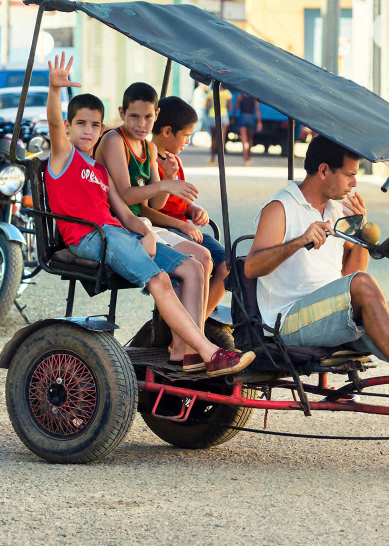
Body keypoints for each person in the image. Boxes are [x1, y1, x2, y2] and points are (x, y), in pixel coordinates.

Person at [245, 136, 389, 459]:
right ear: (324, 170)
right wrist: (298, 241)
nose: (355, 183)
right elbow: (252, 266)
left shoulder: (336, 210)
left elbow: (349, 276)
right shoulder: (280, 207)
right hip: (288, 319)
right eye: (349, 174)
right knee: (364, 284)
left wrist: (359, 239)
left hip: (330, 315)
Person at [45, 52, 253, 377]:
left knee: (195, 268)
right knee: (159, 280)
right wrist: (55, 90)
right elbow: (56, 125)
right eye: (81, 124)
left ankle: (185, 355)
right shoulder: (64, 158)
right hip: (90, 235)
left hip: (118, 232)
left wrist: (146, 232)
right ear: (70, 127)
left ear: (103, 127)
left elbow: (126, 211)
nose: (88, 131)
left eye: (95, 125)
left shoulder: (99, 170)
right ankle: (209, 352)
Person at [147, 96, 229, 321]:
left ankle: (195, 324)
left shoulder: (174, 160)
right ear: (166, 131)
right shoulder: (148, 160)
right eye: (185, 136)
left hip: (182, 228)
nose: (187, 142)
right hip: (163, 231)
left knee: (228, 263)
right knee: (200, 262)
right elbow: (149, 208)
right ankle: (189, 331)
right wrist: (182, 223)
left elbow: (178, 201)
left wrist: (193, 209)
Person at [231, 92, 261, 166]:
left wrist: (233, 117)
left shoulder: (240, 97)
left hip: (243, 117)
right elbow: (257, 110)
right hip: (250, 118)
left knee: (244, 140)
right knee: (250, 139)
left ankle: (246, 158)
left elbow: (236, 107)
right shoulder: (254, 98)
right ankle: (249, 156)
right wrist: (259, 122)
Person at [206, 84, 231, 165]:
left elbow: (207, 106)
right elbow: (229, 107)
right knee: (222, 137)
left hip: (212, 114)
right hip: (223, 114)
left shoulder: (210, 92)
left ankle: (213, 158)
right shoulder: (227, 93)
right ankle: (221, 160)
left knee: (213, 138)